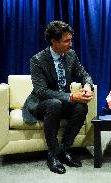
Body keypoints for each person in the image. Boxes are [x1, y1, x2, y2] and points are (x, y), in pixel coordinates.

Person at [22, 21, 94, 174]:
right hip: (43, 104)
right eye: (66, 41)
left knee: (81, 107)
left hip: (63, 102)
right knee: (54, 103)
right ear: (54, 41)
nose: (70, 44)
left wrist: (87, 86)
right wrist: (72, 96)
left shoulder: (70, 55)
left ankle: (64, 149)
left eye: (71, 40)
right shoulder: (37, 60)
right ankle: (53, 154)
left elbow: (83, 74)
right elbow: (41, 91)